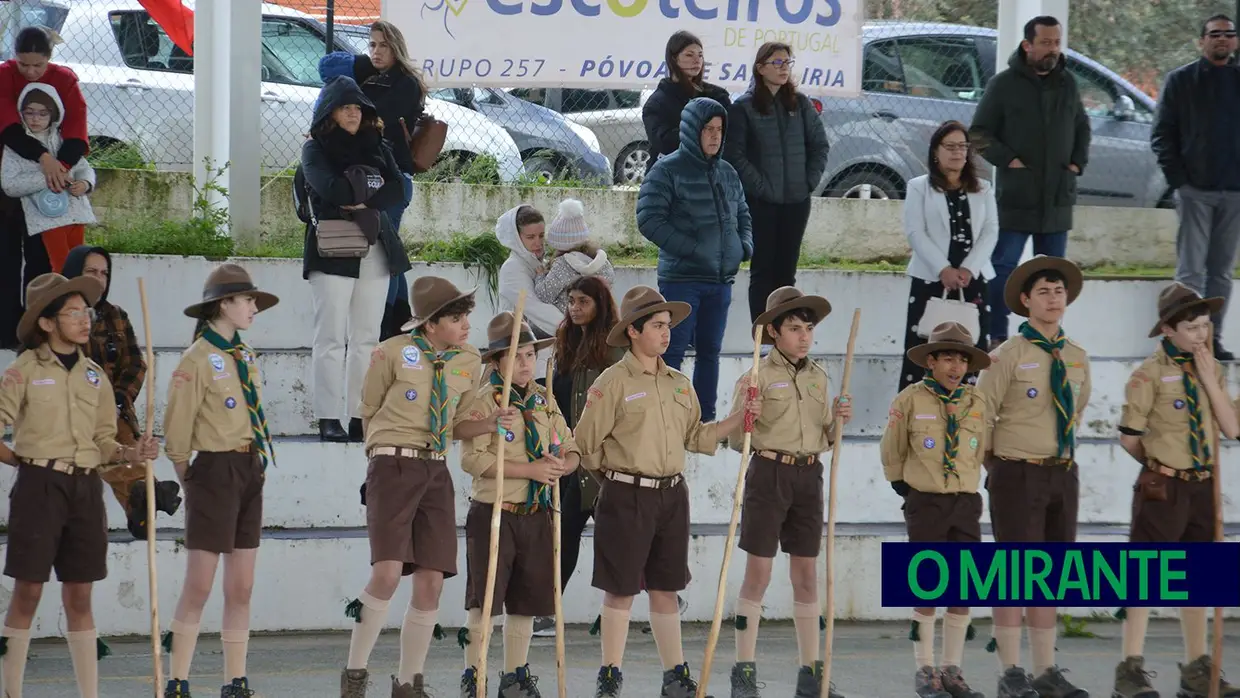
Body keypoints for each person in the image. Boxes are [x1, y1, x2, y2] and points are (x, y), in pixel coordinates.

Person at [573, 285, 760, 698]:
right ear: (634, 332)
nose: (666, 333)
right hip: (625, 495)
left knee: (665, 587)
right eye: (657, 326)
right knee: (620, 588)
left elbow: (697, 436)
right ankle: (610, 676)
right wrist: (612, 480)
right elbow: (584, 444)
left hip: (672, 495)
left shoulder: (679, 384)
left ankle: (675, 676)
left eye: (668, 325)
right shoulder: (612, 382)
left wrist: (738, 418)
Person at [340, 276, 505, 698]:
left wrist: (488, 423)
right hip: (393, 464)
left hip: (435, 469)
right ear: (429, 324)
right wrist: (380, 461)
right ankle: (355, 675)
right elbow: (369, 411)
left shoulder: (469, 360)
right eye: (455, 317)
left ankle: (408, 682)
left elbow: (456, 425)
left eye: (466, 315)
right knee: (388, 572)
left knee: (431, 579)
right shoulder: (391, 352)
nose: (466, 324)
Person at [0, 272, 157, 698]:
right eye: (72, 313)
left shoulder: (94, 375)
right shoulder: (25, 369)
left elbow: (105, 441)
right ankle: (11, 691)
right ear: (47, 323)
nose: (84, 320)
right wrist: (20, 461)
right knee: (28, 591)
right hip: (39, 486)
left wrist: (132, 454)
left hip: (86, 489)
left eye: (84, 311)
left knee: (80, 595)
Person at [1112, 283, 1240, 698]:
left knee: (1198, 576)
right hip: (1164, 485)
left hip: (1203, 484)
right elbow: (1130, 437)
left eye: (1205, 326)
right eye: (1191, 327)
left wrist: (1209, 378)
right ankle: (1129, 669)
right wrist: (1158, 467)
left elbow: (1233, 428)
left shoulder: (1212, 369)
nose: (1201, 335)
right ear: (1168, 329)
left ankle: (1197, 667)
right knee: (1148, 575)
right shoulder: (1148, 374)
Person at [725, 286, 851, 698]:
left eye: (808, 328)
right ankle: (744, 669)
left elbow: (826, 437)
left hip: (808, 475)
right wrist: (747, 417)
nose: (804, 336)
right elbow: (732, 438)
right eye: (794, 328)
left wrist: (838, 421)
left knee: (806, 575)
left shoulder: (820, 377)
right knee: (758, 574)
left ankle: (810, 673)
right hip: (769, 473)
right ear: (774, 332)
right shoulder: (756, 377)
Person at [160, 264, 279, 698]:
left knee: (241, 585)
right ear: (222, 305)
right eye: (247, 300)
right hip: (213, 469)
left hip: (249, 467)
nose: (253, 308)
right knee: (200, 582)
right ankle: (178, 678)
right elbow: (177, 428)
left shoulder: (244, 354)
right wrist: (186, 474)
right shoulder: (195, 359)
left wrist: (256, 464)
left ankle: (235, 679)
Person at [974, 255, 1090, 698]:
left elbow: (1076, 411)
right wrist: (997, 467)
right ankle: (1011, 672)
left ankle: (1045, 671)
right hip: (1017, 473)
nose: (1053, 298)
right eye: (1043, 291)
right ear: (1025, 301)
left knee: (1052, 575)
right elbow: (981, 414)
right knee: (1016, 573)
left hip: (1062, 471)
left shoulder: (1077, 357)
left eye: (1059, 292)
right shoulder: (1006, 355)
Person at [457, 311, 579, 698]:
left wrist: (563, 464)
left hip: (536, 513)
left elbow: (570, 445)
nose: (527, 365)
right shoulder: (483, 400)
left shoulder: (543, 399)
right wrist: (530, 470)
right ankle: (473, 675)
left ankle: (515, 676)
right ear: (496, 361)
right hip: (495, 513)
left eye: (531, 356)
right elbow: (472, 461)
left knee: (526, 601)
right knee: (485, 601)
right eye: (517, 356)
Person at [880, 322, 991, 698]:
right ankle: (925, 669)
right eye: (947, 358)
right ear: (931, 361)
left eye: (962, 359)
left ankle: (952, 671)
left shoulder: (977, 402)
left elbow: (983, 450)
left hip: (965, 502)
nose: (955, 366)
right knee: (926, 585)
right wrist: (905, 488)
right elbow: (892, 449)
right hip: (926, 501)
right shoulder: (910, 399)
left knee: (963, 589)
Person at [301, 75, 412, 443]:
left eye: (357, 107)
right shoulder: (315, 148)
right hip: (333, 249)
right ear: (330, 112)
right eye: (345, 107)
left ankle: (358, 416)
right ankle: (328, 417)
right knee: (330, 337)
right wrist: (370, 188)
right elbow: (328, 188)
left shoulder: (378, 145)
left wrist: (362, 196)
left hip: (375, 247)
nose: (352, 113)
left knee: (366, 339)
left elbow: (398, 188)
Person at [969, 15, 1090, 349]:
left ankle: (1046, 337)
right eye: (1046, 42)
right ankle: (995, 335)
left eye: (1056, 42)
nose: (1053, 49)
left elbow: (1082, 126)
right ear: (1028, 45)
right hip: (1017, 197)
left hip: (1057, 200)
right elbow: (978, 135)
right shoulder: (1004, 84)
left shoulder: (1068, 84)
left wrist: (1077, 163)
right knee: (1002, 268)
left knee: (1053, 277)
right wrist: (1010, 160)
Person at [637, 97, 752, 422]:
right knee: (671, 350)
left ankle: (703, 418)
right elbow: (649, 219)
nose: (715, 136)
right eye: (707, 129)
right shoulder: (667, 169)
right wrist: (691, 249)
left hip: (720, 281)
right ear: (691, 131)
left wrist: (744, 247)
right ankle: (667, 417)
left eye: (719, 129)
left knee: (710, 353)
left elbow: (743, 213)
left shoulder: (727, 172)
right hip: (682, 280)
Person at [62, 244, 182, 540]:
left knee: (121, 432)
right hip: (74, 408)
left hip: (114, 406)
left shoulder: (115, 315)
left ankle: (139, 504)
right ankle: (145, 492)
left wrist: (118, 397)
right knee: (109, 431)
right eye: (91, 272)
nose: (99, 279)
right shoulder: (60, 317)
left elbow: (135, 364)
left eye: (104, 273)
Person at [318, 20, 427, 341]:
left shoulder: (406, 83)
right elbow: (325, 67)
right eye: (372, 45)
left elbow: (372, 117)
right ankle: (400, 319)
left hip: (393, 179)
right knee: (388, 250)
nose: (376, 52)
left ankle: (387, 323)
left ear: (397, 48)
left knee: (383, 252)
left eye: (384, 46)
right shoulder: (371, 73)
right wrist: (365, 63)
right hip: (370, 178)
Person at [533, 275, 623, 638]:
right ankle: (546, 611)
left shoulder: (616, 348)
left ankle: (622, 607)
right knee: (562, 535)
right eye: (571, 300)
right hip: (572, 458)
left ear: (600, 304)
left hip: (603, 464)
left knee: (615, 543)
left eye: (583, 301)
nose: (575, 307)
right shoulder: (566, 342)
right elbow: (556, 392)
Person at [1151, 13, 1240, 361]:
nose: (1222, 39)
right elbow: (1162, 135)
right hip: (1194, 190)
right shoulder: (1180, 81)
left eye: (1229, 34)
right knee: (1190, 270)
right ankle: (1182, 341)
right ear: (1201, 41)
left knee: (1221, 272)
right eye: (1215, 34)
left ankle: (1211, 340)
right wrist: (1180, 181)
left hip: (1233, 192)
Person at [724, 42, 829, 323]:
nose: (784, 68)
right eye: (777, 63)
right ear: (760, 68)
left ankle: (785, 333)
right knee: (762, 271)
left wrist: (807, 182)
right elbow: (735, 154)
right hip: (761, 204)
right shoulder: (744, 108)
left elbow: (820, 145)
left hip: (796, 202)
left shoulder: (800, 104)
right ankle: (762, 338)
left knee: (786, 272)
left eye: (788, 63)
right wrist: (759, 187)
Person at [0, 26, 89, 349]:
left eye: (38, 65)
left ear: (49, 59)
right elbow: (8, 129)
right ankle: (6, 331)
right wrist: (46, 162)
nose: (30, 72)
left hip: (49, 187)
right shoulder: (4, 75)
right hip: (10, 178)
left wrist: (60, 168)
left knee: (39, 259)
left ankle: (34, 331)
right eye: (23, 64)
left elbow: (78, 135)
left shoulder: (65, 80)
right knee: (5, 258)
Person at [899, 121, 999, 392]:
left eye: (963, 147)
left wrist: (968, 269)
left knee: (971, 350)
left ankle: (967, 416)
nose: (958, 153)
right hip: (931, 280)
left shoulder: (984, 188)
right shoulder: (919, 187)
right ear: (935, 151)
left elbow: (990, 231)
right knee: (925, 349)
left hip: (973, 281)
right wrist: (943, 268)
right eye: (950, 146)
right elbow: (915, 232)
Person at [1, 82, 95, 272]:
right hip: (47, 218)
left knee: (79, 262)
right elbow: (10, 185)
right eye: (29, 112)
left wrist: (85, 184)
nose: (35, 119)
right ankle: (65, 299)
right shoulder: (15, 146)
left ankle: (78, 298)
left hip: (76, 214)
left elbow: (84, 167)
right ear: (21, 112)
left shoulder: (62, 140)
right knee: (60, 266)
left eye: (42, 113)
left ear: (54, 114)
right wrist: (49, 177)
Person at [643, 30, 732, 174]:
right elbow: (664, 143)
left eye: (700, 55)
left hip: (709, 173)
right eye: (689, 55)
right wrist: (700, 129)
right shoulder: (657, 102)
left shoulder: (717, 96)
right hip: (671, 175)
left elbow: (730, 136)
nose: (697, 60)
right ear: (673, 59)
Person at [534, 198, 616, 313]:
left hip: (571, 322)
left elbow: (545, 295)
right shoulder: (603, 262)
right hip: (599, 321)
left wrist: (540, 276)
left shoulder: (563, 264)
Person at [496, 204, 563, 339]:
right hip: (517, 345)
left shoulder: (539, 263)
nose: (538, 243)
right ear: (516, 238)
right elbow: (537, 308)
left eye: (541, 235)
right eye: (531, 237)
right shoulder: (512, 268)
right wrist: (573, 327)